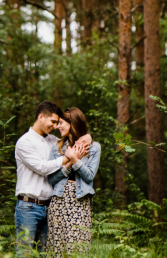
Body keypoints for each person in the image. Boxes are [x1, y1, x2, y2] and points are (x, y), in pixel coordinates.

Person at [13, 101, 91, 257]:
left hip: (50, 207)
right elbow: (42, 168)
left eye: (57, 123)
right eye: (53, 122)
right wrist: (66, 159)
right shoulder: (24, 142)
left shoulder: (52, 141)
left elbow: (72, 138)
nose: (56, 126)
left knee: (45, 254)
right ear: (41, 117)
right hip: (29, 206)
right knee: (24, 253)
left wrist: (88, 136)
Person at [46, 107, 101, 255]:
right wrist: (69, 164)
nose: (57, 126)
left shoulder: (94, 147)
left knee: (78, 248)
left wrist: (76, 159)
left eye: (61, 123)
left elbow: (89, 176)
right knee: (57, 249)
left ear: (73, 123)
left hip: (80, 202)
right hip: (58, 201)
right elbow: (51, 179)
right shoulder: (57, 147)